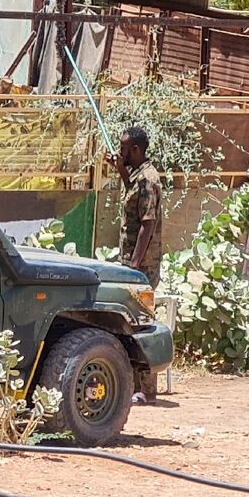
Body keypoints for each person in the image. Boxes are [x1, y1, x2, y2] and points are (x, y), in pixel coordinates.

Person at [106, 126, 162, 405]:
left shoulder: (149, 180)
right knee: (130, 321)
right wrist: (120, 170)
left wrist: (135, 267)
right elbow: (132, 194)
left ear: (137, 150)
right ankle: (136, 384)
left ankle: (148, 390)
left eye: (125, 148)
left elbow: (147, 224)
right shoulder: (138, 176)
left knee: (141, 323)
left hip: (142, 266)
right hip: (132, 262)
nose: (121, 152)